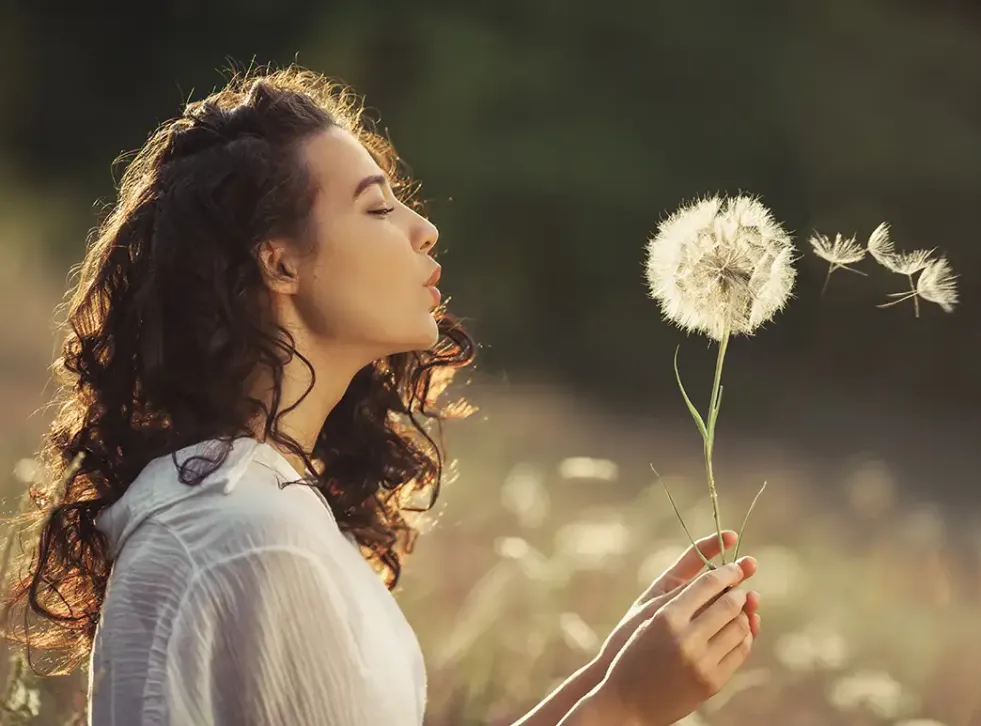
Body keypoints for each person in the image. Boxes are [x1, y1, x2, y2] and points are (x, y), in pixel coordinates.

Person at [6, 66, 762, 725]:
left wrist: (605, 675)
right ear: (279, 263)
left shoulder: (253, 500)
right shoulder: (255, 538)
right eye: (377, 208)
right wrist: (625, 711)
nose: (425, 229)